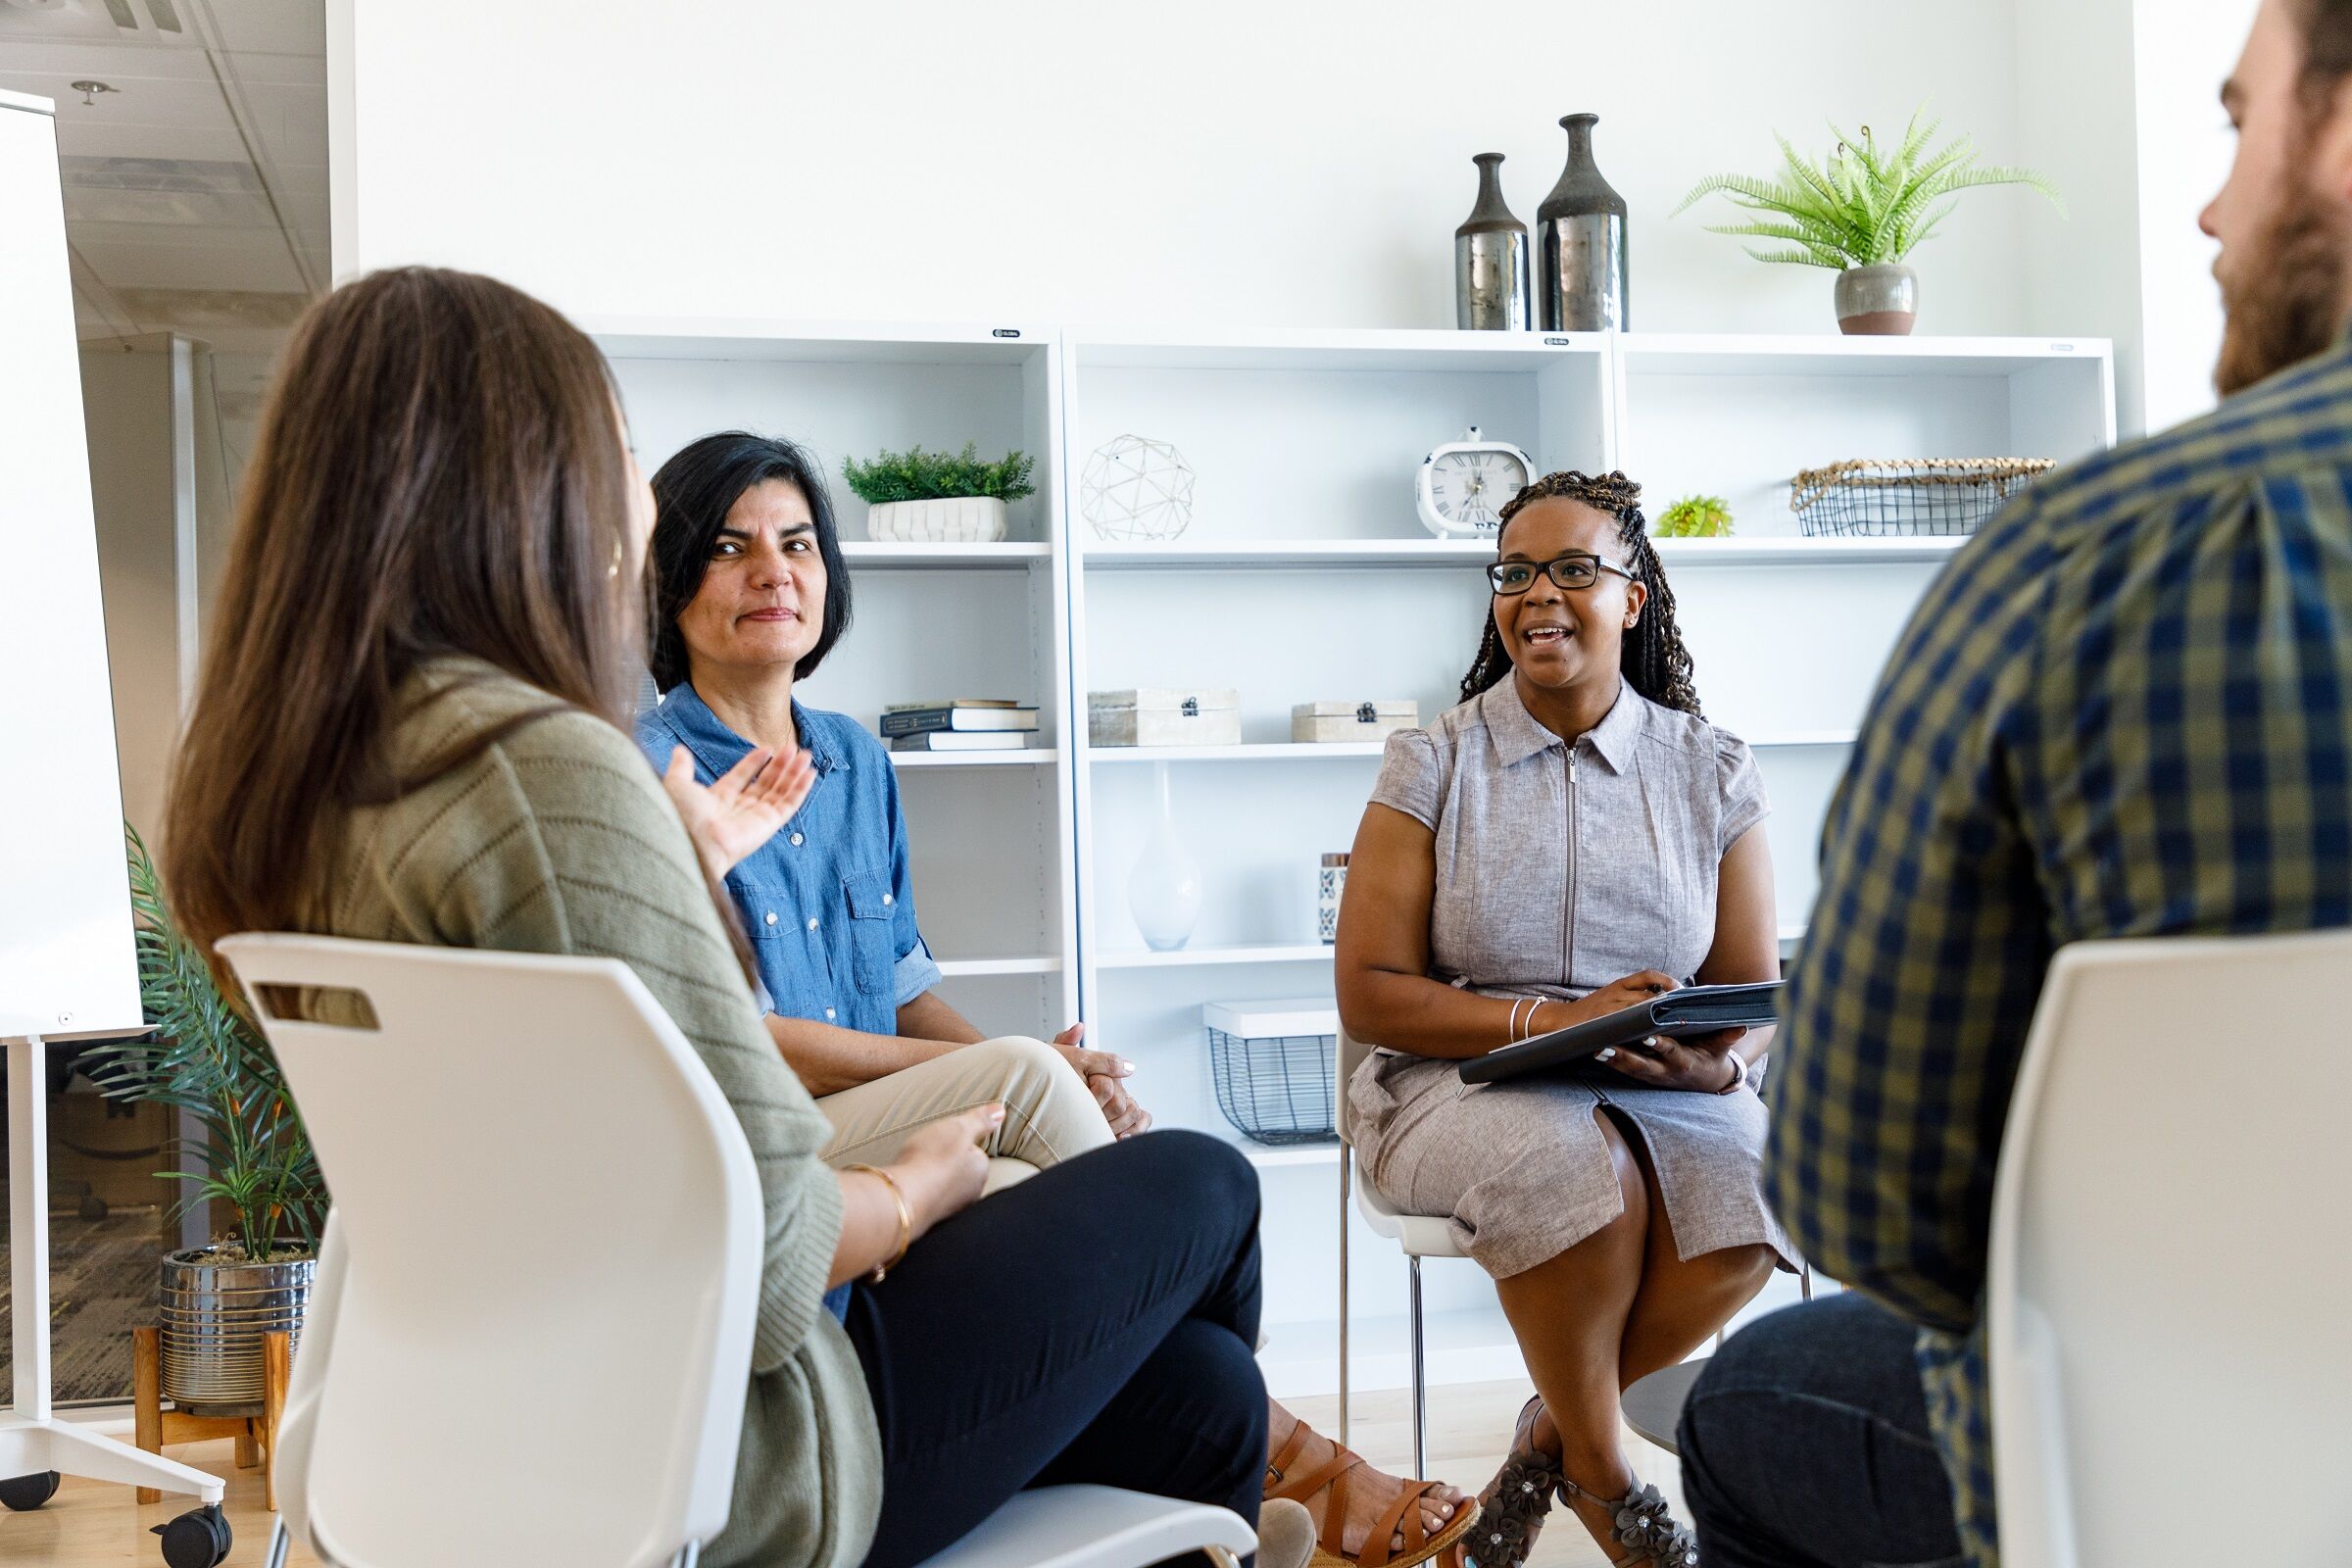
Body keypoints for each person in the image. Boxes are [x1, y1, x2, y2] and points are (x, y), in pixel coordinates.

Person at [157, 266, 1292, 1568]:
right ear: (532, 489)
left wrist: (672, 868)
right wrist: (919, 1184)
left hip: (517, 1414)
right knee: (1204, 1182)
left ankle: (1267, 1476)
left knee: (1205, 1394)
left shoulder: (311, 785)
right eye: (621, 454)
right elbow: (771, 1259)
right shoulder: (555, 776)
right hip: (733, 1462)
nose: (638, 505)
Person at [1675, 5, 2352, 1566]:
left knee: (1751, 1398)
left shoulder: (2083, 571)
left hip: (2188, 1470)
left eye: (2239, 123)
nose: (2204, 207)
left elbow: (1857, 1200)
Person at [638, 428, 1475, 1568]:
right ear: (671, 580)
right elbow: (724, 1036)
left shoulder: (854, 759)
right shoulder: (651, 768)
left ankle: (1220, 1499)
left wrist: (1012, 1077)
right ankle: (1303, 1458)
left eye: (795, 544)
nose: (771, 571)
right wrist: (996, 1082)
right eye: (730, 549)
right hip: (777, 1144)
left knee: (1194, 1361)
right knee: (1041, 1093)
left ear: (829, 577)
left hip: (881, 1121)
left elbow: (904, 983)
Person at [1334, 470, 1788, 1568]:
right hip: (1452, 1080)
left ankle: (1555, 1437)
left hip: (1655, 1083)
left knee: (1759, 1196)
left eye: (1574, 568)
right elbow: (1373, 990)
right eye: (1516, 572)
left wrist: (1715, 1069)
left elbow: (1747, 984)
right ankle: (1616, 1484)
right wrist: (1552, 1016)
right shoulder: (1433, 760)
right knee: (1584, 1181)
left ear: (1633, 597)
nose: (1540, 593)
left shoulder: (1713, 768)